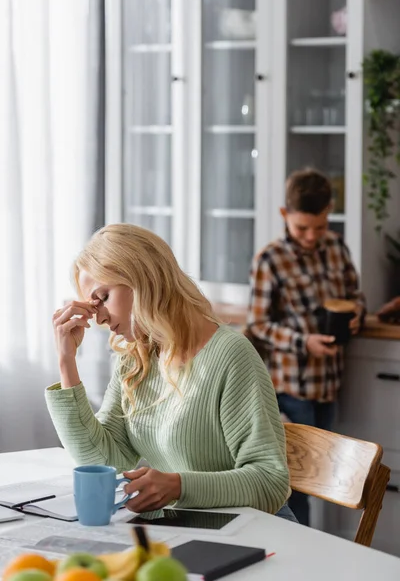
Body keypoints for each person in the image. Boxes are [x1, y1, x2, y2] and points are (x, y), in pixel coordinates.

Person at [46, 223, 295, 521]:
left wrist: (178, 486)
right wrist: (66, 361)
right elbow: (103, 462)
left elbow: (271, 481)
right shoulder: (136, 358)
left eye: (102, 297)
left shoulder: (230, 354)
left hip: (251, 535)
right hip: (183, 531)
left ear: (142, 279)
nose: (98, 317)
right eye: (91, 304)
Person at [246, 168, 366, 526]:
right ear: (285, 215)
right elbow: (258, 324)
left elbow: (356, 296)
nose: (312, 236)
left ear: (329, 211)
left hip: (328, 387)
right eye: (302, 228)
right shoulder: (270, 260)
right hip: (290, 390)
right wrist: (303, 342)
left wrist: (358, 313)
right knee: (295, 485)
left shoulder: (337, 247)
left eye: (319, 226)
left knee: (324, 481)